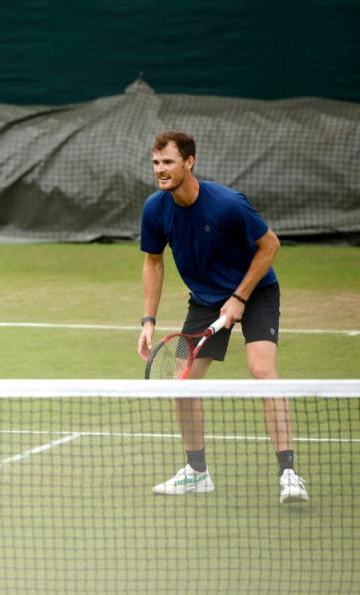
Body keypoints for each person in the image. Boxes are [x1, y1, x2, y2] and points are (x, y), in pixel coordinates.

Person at [136, 130, 308, 504]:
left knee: (263, 372)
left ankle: (289, 473)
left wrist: (239, 296)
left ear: (189, 162)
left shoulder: (227, 203)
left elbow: (270, 246)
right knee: (183, 382)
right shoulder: (155, 208)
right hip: (205, 299)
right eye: (155, 163)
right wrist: (148, 319)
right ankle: (197, 472)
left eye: (168, 162)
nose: (160, 170)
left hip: (256, 289)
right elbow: (153, 262)